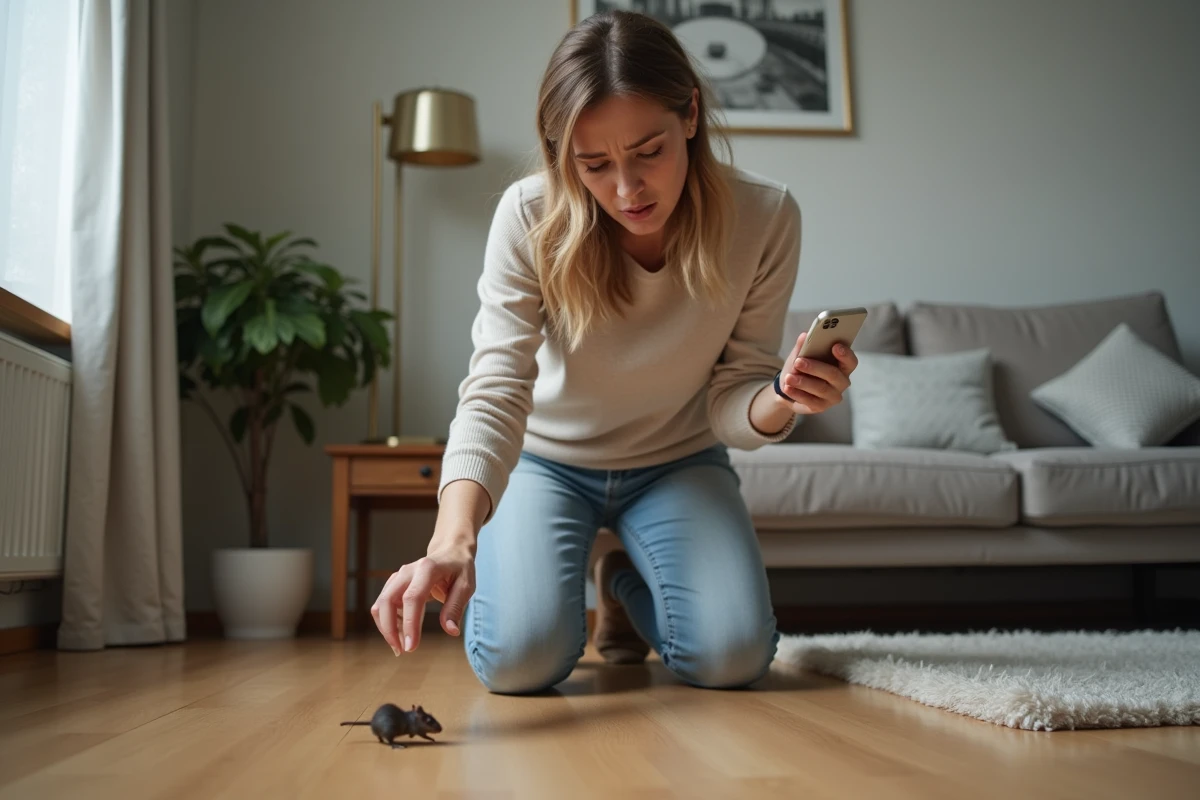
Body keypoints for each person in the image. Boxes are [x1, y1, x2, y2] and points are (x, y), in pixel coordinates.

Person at [370, 9, 857, 695]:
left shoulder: (766, 218)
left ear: (690, 114)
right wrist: (452, 539)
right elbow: (496, 387)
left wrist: (781, 399)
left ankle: (621, 587)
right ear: (561, 154)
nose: (627, 190)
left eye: (649, 152)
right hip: (547, 461)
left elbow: (732, 399)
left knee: (733, 659)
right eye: (593, 164)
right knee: (519, 663)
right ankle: (587, 589)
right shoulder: (528, 215)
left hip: (678, 458)